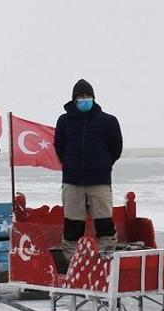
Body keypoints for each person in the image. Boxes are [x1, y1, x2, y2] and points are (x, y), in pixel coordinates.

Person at [54, 79, 123, 259]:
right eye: (81, 97)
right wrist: (70, 164)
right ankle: (72, 259)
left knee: (104, 221)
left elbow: (116, 147)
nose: (84, 99)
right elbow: (59, 147)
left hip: (99, 180)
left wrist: (104, 164)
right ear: (74, 99)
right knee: (73, 223)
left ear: (93, 98)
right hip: (73, 181)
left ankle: (105, 256)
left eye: (87, 96)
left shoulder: (108, 121)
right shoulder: (64, 121)